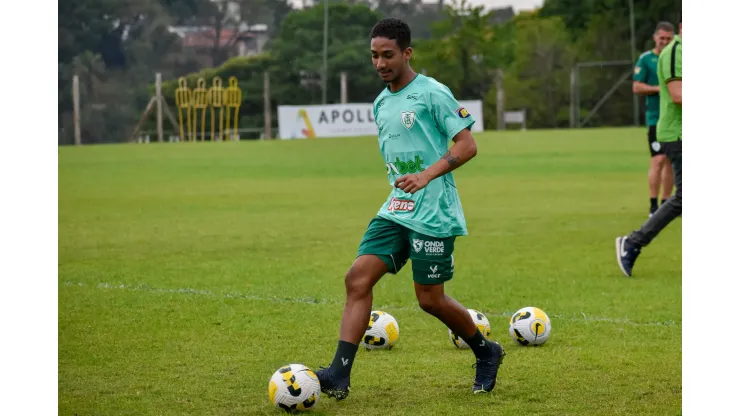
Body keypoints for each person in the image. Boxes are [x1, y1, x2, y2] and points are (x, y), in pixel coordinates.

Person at [315, 18, 505, 400]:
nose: (380, 63)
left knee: (429, 299)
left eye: (388, 55)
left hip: (434, 210)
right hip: (396, 208)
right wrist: (407, 182)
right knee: (357, 279)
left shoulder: (433, 92)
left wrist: (426, 175)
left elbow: (467, 145)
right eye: (374, 56)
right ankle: (339, 374)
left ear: (407, 53)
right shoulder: (381, 103)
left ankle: (487, 351)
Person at [617, 14, 682, 277]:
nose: (664, 41)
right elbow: (677, 95)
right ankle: (635, 239)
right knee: (659, 165)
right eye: (661, 37)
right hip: (672, 129)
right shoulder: (671, 53)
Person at [633, 22, 676, 217]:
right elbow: (637, 87)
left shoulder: (675, 58)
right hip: (655, 118)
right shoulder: (646, 59)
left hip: (675, 119)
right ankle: (653, 205)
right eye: (662, 38)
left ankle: (667, 203)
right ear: (655, 37)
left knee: (671, 161)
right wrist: (659, 89)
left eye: (668, 39)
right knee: (658, 159)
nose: (665, 42)